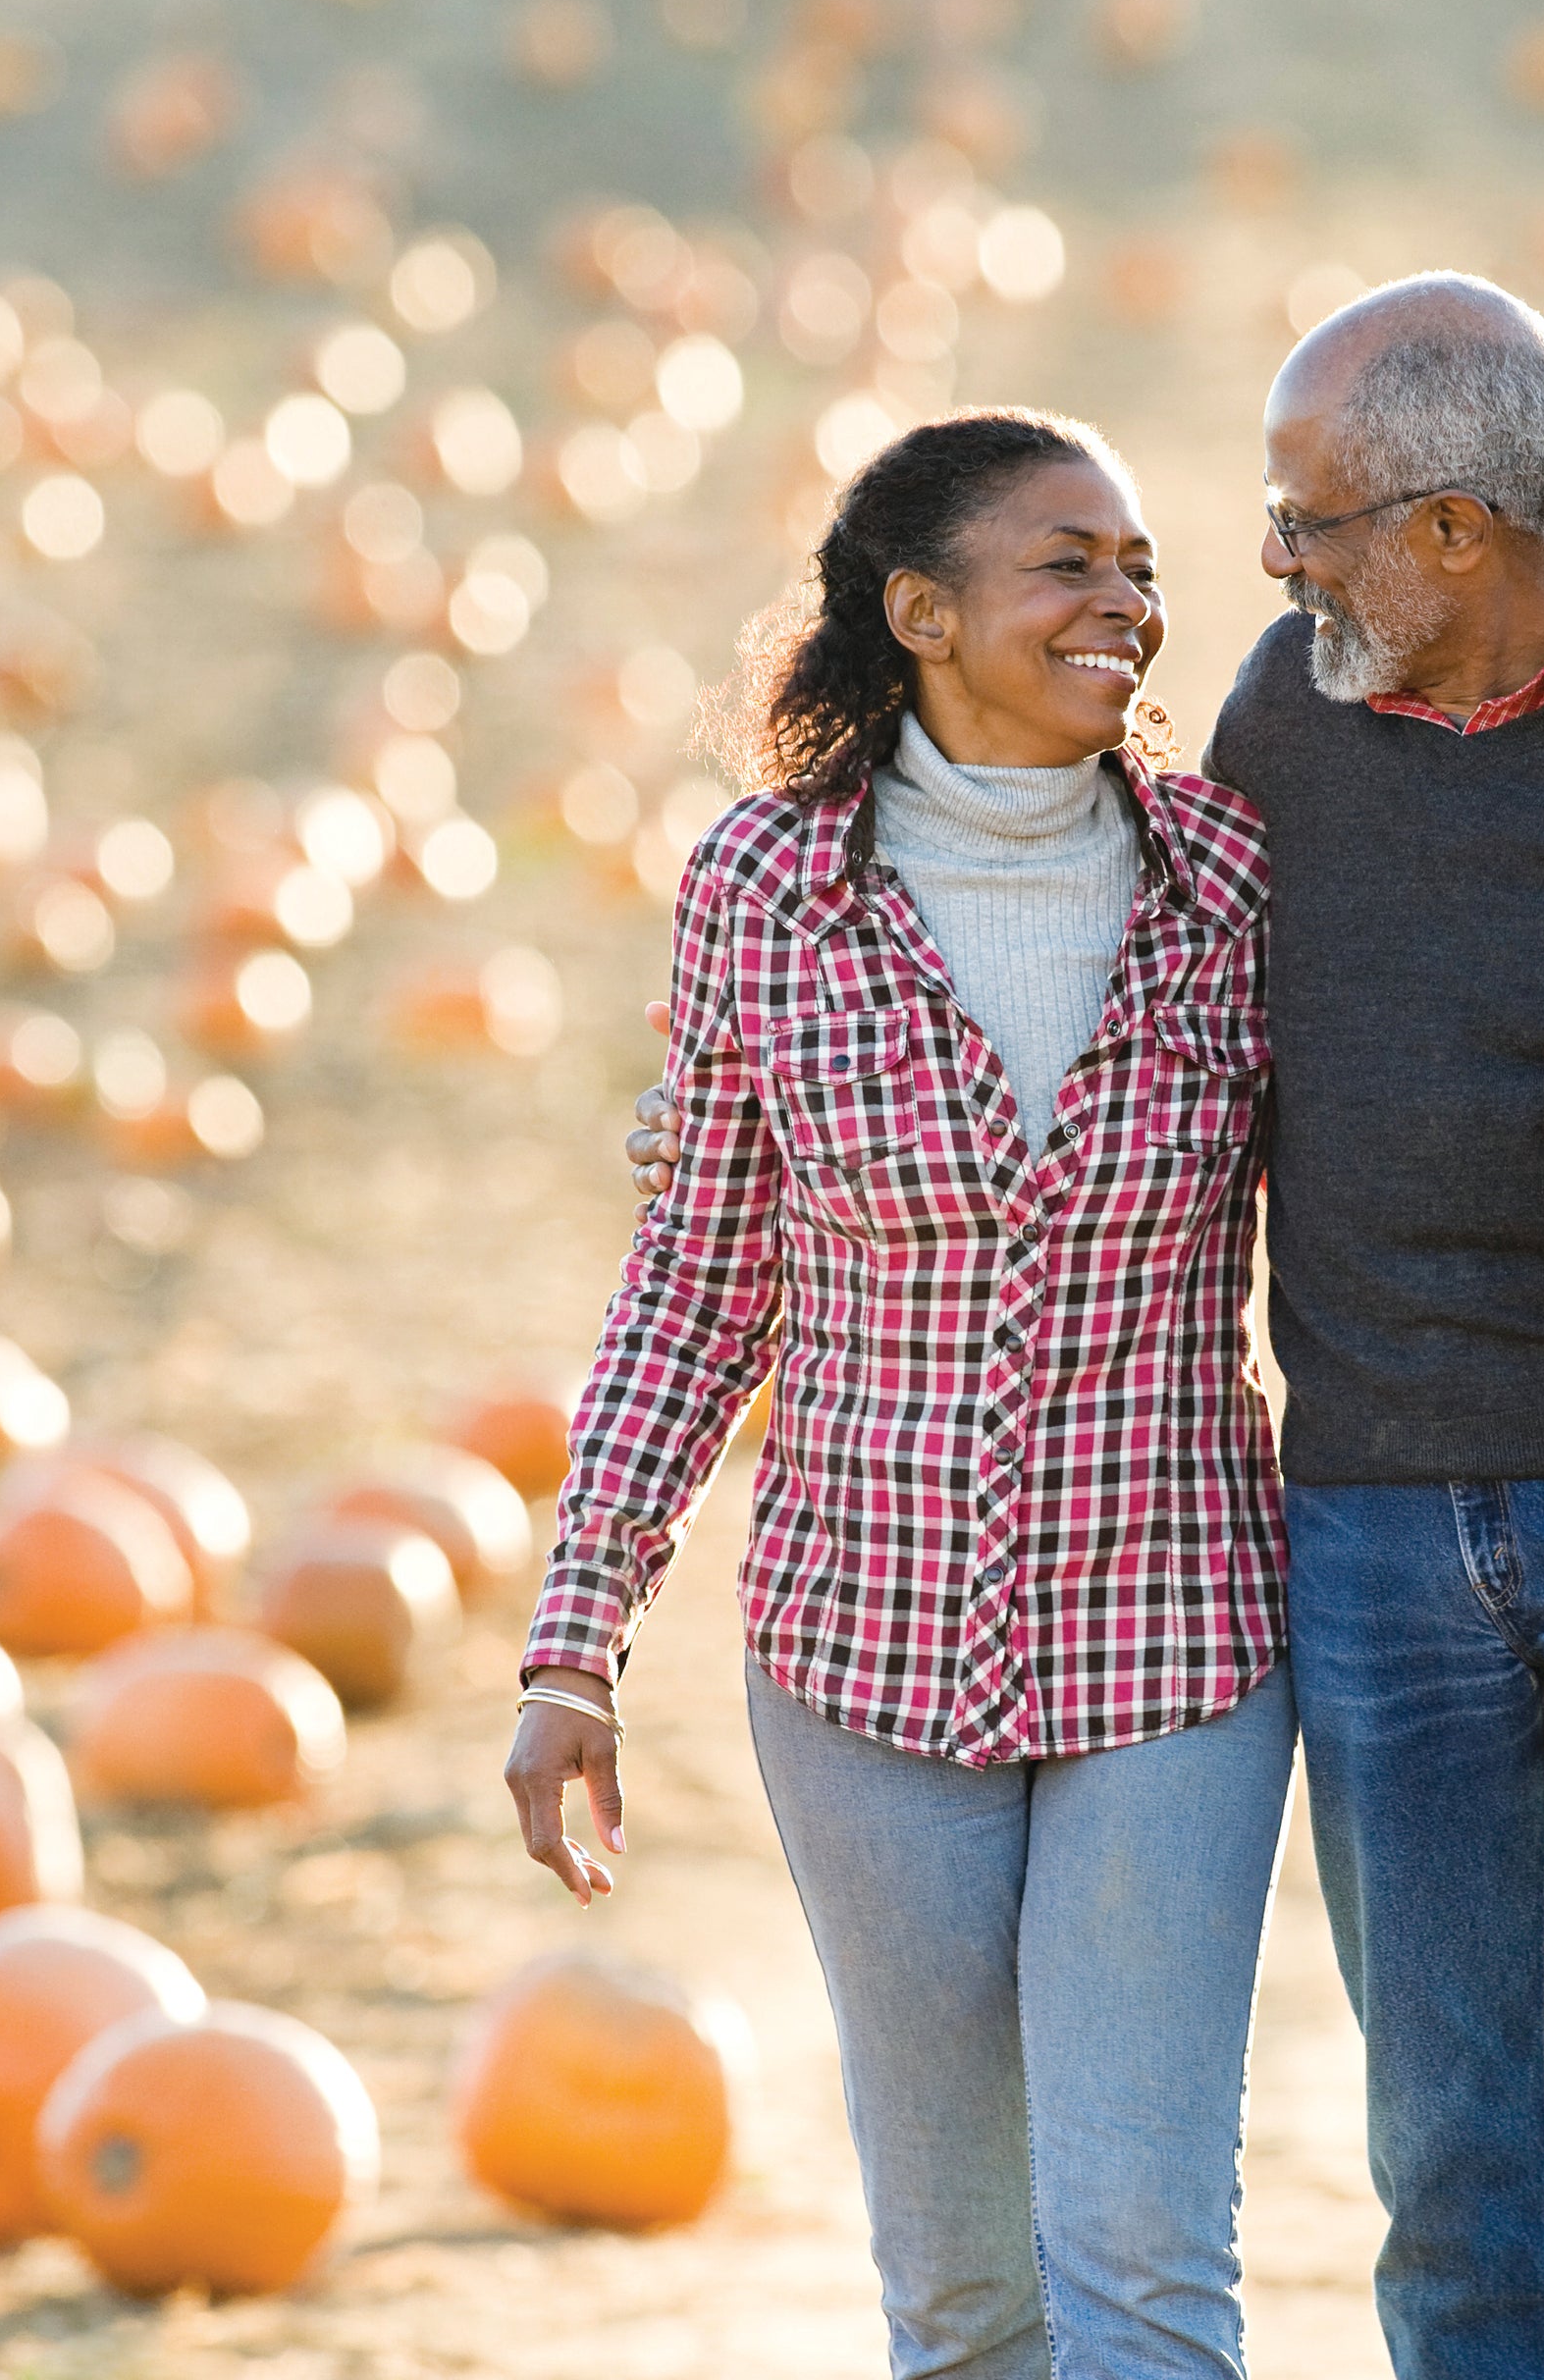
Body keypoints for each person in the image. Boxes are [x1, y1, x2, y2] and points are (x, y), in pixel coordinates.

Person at [633, 275, 1544, 2380]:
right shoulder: (1286, 726)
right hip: (1374, 1538)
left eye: (1307, 523)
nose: (1269, 568)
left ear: (1451, 531)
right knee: (1452, 2156)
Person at [506, 407, 1298, 2380]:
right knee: (961, 2294)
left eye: (1139, 567)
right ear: (921, 607)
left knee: (1144, 2259)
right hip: (861, 1655)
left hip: (1177, 1636)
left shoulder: (1232, 878)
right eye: (1067, 562)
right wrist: (573, 1644)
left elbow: (1388, 1170)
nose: (1124, 600)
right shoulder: (762, 893)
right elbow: (694, 1289)